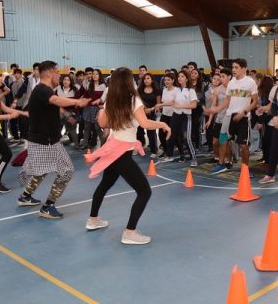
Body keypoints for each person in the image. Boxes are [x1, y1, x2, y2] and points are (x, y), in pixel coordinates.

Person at [85, 67, 171, 245]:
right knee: (144, 191)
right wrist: (163, 123)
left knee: (105, 184)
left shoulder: (111, 100)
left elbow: (102, 123)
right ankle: (129, 232)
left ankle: (93, 219)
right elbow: (145, 124)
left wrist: (103, 112)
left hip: (112, 148)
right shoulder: (134, 100)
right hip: (121, 153)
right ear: (128, 81)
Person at [17, 60, 90, 218]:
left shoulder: (45, 91)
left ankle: (25, 196)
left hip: (42, 140)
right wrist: (77, 101)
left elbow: (54, 106)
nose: (59, 75)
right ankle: (48, 206)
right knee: (67, 171)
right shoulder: (42, 89)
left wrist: (66, 115)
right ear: (49, 72)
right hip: (47, 142)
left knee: (42, 170)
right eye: (57, 72)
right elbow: (55, 101)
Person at [211, 58, 259, 174]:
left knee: (243, 145)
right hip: (229, 116)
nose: (233, 70)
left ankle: (245, 169)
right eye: (232, 67)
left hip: (243, 117)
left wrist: (244, 112)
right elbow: (227, 100)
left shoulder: (250, 82)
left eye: (236, 67)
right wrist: (217, 109)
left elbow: (255, 101)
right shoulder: (231, 82)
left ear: (244, 69)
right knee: (223, 140)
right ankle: (222, 164)